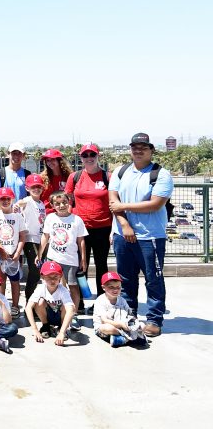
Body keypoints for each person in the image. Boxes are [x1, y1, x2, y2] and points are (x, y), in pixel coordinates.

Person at [108, 133, 173, 338]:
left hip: (150, 236)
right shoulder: (120, 171)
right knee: (126, 279)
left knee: (153, 279)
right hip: (122, 234)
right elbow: (112, 200)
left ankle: (154, 319)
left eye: (143, 147)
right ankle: (130, 315)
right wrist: (124, 224)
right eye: (135, 147)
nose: (138, 150)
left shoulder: (161, 174)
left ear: (151, 150)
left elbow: (155, 204)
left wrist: (124, 207)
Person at [65, 144, 111, 297]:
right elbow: (68, 201)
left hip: (102, 228)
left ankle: (101, 299)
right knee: (80, 266)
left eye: (93, 155)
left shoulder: (107, 177)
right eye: (85, 155)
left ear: (98, 156)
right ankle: (82, 299)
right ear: (81, 158)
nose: (89, 158)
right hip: (80, 230)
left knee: (101, 266)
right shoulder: (75, 177)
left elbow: (114, 203)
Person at [37, 191, 88, 331]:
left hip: (71, 259)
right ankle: (53, 312)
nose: (62, 205)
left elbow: (81, 240)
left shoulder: (76, 220)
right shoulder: (50, 218)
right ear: (53, 206)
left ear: (69, 202)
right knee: (53, 286)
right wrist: (40, 253)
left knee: (73, 287)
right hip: (54, 258)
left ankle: (73, 314)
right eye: (57, 204)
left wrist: (83, 259)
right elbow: (45, 236)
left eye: (64, 202)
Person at [0, 187, 27, 317]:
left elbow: (23, 236)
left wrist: (18, 252)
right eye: (2, 199)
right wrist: (0, 249)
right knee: (1, 281)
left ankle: (15, 306)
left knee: (15, 281)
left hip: (14, 255)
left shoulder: (18, 217)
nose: (5, 201)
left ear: (12, 199)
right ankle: (2, 305)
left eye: (7, 198)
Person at [24, 261, 76, 346]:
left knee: (69, 306)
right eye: (48, 277)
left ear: (60, 276)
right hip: (48, 315)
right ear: (43, 277)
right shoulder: (41, 288)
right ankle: (45, 325)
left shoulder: (63, 290)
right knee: (39, 302)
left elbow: (71, 310)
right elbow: (28, 307)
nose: (52, 280)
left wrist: (62, 333)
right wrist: (35, 330)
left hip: (60, 317)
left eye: (55, 276)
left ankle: (61, 328)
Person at [93, 271, 147, 347]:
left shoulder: (122, 300)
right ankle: (132, 338)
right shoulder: (101, 300)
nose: (115, 290)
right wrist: (121, 324)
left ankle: (122, 339)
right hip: (106, 326)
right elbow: (104, 320)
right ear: (103, 287)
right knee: (107, 328)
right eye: (111, 287)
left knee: (142, 325)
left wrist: (135, 323)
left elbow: (130, 314)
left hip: (123, 326)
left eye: (118, 287)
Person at [15, 174, 46, 302]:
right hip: (30, 239)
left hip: (40, 239)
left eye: (38, 186)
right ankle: (29, 301)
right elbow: (19, 204)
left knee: (38, 271)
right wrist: (17, 205)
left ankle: (33, 300)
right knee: (35, 270)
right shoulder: (28, 200)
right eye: (33, 187)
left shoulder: (41, 203)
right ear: (27, 188)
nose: (36, 189)